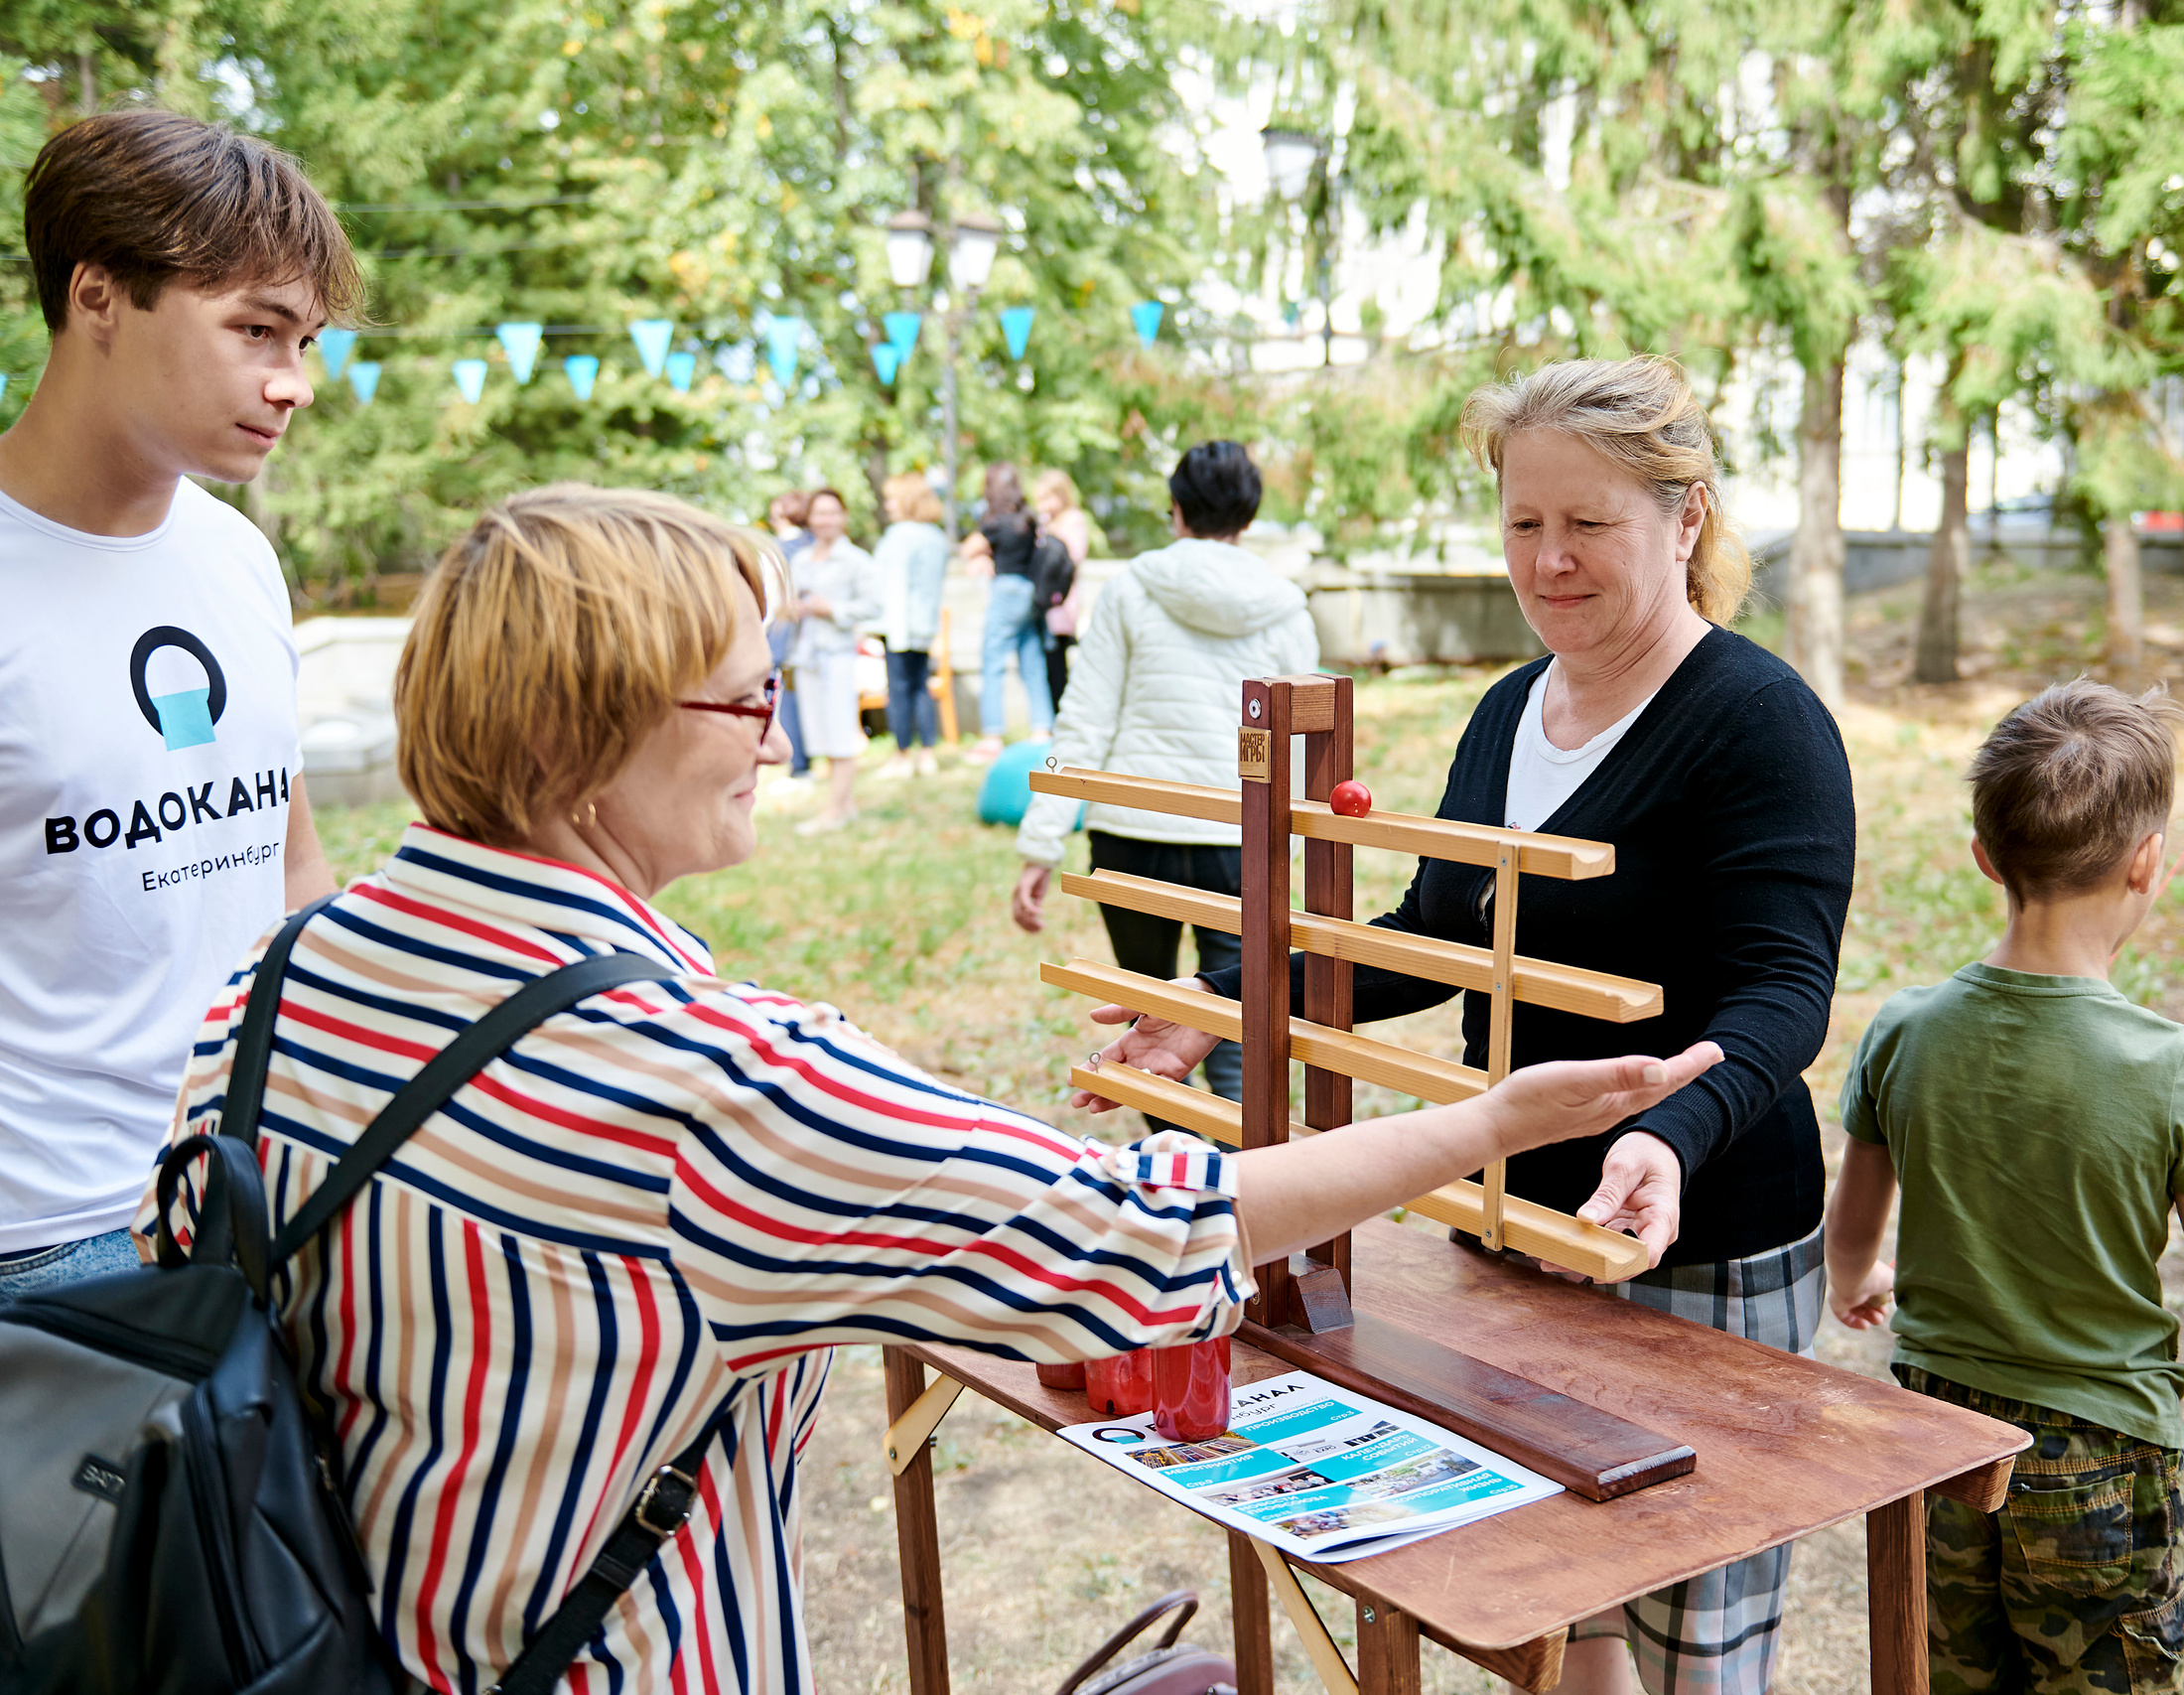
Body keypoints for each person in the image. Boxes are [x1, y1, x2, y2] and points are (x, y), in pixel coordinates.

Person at [140, 482, 1721, 1693]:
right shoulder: (706, 1087)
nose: (778, 740)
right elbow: (1137, 1233)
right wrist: (1489, 1121)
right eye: (745, 698)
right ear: (585, 732)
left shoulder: (279, 986)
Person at [1081, 359, 1856, 1695]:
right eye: (1523, 523)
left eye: (1588, 524)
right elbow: (1429, 938)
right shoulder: (1508, 711)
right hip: (1510, 1218)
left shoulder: (1758, 721)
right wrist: (1219, 1000)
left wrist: (1672, 1135)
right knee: (1560, 1601)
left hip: (1695, 1230)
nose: (1548, 560)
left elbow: (1784, 993)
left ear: (1685, 518)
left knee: (1695, 1625)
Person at [1823, 680, 2184, 1695]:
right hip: (2099, 1458)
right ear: (2146, 861)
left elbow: (1848, 1229)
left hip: (1935, 1443)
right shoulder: (2175, 1071)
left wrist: (1858, 1280)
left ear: (1984, 857)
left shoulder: (1903, 1030)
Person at [0, 110, 344, 1309]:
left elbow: (289, 863)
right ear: (98, 294)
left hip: (252, 1192)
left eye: (304, 341)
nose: (294, 383)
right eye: (256, 329)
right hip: (50, 1248)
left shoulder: (236, 555)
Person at [1012, 441, 1316, 1122]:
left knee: (1148, 1026)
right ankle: (1246, 1177)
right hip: (1239, 840)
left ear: (1176, 509)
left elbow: (1082, 723)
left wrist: (1041, 842)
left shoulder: (1129, 588)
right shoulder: (1284, 606)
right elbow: (1297, 737)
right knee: (1235, 1026)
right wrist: (1286, 848)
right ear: (1249, 514)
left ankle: (1180, 1172)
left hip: (1132, 834)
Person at [787, 487, 875, 833]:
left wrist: (832, 609)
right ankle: (844, 803)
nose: (825, 520)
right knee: (820, 732)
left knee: (840, 731)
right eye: (819, 513)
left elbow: (873, 605)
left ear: (843, 516)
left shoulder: (856, 560)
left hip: (837, 655)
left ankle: (834, 811)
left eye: (832, 512)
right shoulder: (800, 560)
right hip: (806, 656)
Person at [962, 460, 1051, 758]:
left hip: (1005, 591)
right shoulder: (1029, 519)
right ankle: (1042, 730)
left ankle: (992, 735)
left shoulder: (994, 522)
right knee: (1032, 661)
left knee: (992, 662)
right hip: (1029, 592)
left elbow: (967, 549)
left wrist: (982, 556)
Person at [869, 471, 951, 781]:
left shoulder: (900, 536)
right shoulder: (936, 537)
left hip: (899, 627)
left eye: (891, 499)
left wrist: (894, 633)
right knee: (920, 688)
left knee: (899, 691)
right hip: (923, 626)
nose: (887, 505)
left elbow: (895, 585)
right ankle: (927, 754)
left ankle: (902, 755)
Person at [763, 489, 815, 778]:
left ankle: (798, 764)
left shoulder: (774, 549)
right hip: (813, 631)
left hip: (781, 631)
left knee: (783, 697)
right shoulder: (815, 544)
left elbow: (769, 597)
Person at [1034, 467, 1095, 705]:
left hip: (1061, 601)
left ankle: (1061, 710)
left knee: (1057, 663)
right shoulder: (1044, 523)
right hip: (1042, 603)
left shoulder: (1072, 521)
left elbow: (1072, 557)